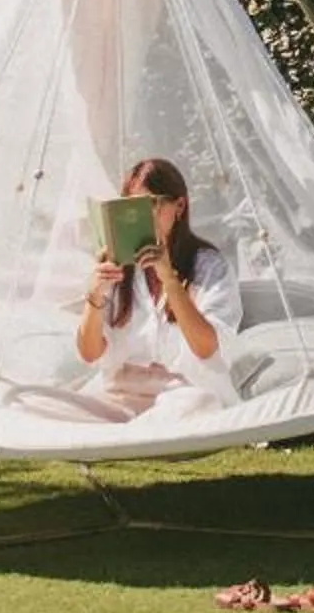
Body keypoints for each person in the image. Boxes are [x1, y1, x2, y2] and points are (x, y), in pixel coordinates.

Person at [65, 155, 242, 423]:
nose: (144, 218)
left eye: (153, 205)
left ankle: (122, 436)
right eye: (132, 209)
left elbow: (207, 348)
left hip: (182, 392)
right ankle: (128, 434)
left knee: (199, 405)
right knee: (32, 401)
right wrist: (96, 294)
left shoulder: (208, 266)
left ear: (179, 206)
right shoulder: (118, 266)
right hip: (120, 393)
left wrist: (169, 278)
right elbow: (90, 354)